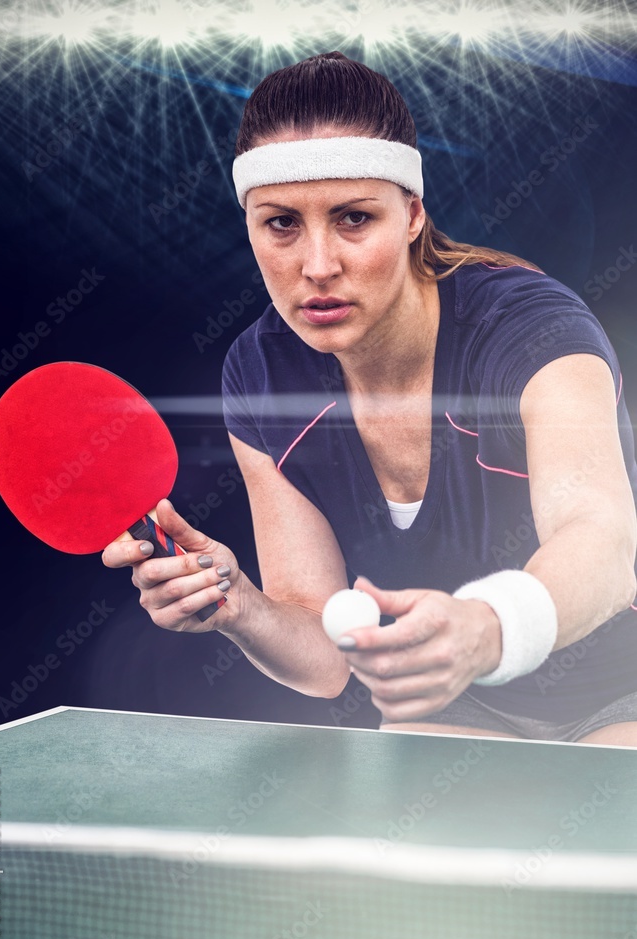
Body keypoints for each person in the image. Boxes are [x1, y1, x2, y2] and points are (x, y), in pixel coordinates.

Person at [103, 52, 637, 746]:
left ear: (412, 215)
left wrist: (485, 627)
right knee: (428, 828)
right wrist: (236, 606)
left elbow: (600, 541)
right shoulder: (261, 373)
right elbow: (326, 658)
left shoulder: (530, 328)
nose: (317, 265)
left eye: (354, 219)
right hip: (455, 705)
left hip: (619, 688)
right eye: (281, 223)